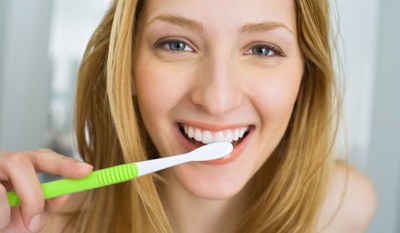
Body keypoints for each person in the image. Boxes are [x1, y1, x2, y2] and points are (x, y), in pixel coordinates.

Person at [0, 0, 377, 232]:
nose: (217, 99)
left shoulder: (343, 207)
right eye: (177, 44)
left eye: (262, 50)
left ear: (304, 76)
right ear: (127, 67)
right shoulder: (46, 228)